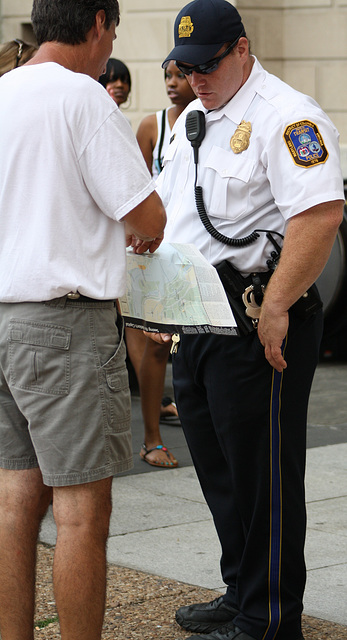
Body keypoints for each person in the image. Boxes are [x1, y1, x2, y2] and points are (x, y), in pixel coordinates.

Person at [152, 0, 345, 639]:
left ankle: (270, 616)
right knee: (218, 463)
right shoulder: (193, 121)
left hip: (260, 310)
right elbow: (180, 215)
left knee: (263, 471)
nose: (196, 78)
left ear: (241, 48)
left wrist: (280, 306)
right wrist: (162, 304)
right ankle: (241, 591)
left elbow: (318, 216)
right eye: (186, 67)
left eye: (207, 65)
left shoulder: (286, 116)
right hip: (198, 312)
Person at [0, 1, 166, 639]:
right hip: (64, 327)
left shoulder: (5, 91)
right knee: (81, 513)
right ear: (99, 22)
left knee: (15, 501)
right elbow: (146, 218)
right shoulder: (85, 98)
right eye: (114, 32)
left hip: (7, 316)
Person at [125, 61, 196, 468]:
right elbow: (131, 189)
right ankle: (151, 439)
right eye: (167, 75)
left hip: (189, 250)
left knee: (180, 347)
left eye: (180, 75)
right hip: (150, 249)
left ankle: (181, 411)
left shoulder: (214, 121)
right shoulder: (152, 126)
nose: (173, 83)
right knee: (152, 350)